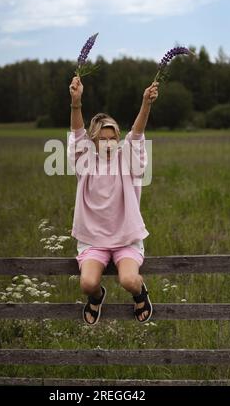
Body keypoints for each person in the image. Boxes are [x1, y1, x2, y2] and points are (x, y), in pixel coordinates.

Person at [67, 75, 159, 325]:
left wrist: (146, 104)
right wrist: (76, 103)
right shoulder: (84, 162)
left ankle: (141, 294)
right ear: (94, 142)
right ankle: (97, 298)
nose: (108, 143)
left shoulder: (127, 160)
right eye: (102, 139)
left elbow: (137, 133)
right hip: (93, 239)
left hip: (125, 237)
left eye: (112, 138)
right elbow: (77, 134)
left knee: (128, 280)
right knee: (88, 283)